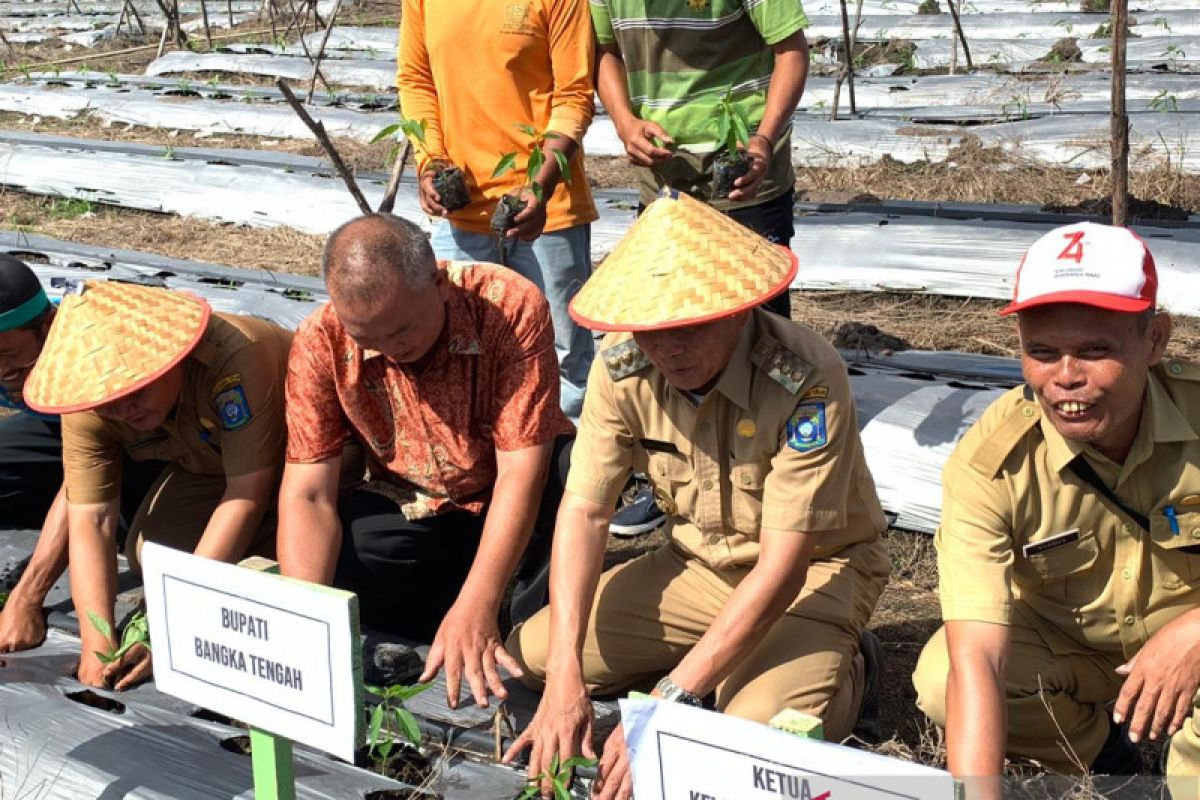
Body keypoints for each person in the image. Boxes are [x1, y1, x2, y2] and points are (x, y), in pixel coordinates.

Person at [502, 191, 889, 800]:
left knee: (746, 737)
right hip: (698, 565)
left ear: (738, 309)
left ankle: (852, 666)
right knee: (534, 655)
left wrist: (670, 702)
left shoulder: (805, 374)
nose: (669, 348)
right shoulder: (622, 367)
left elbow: (786, 564)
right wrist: (567, 678)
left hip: (814, 574)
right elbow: (585, 510)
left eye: (689, 326)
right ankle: (709, 659)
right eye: (653, 330)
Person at [912, 222, 1200, 797]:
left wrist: (1195, 633)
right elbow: (978, 661)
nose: (1066, 378)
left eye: (1095, 351)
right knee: (942, 676)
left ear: (1155, 340)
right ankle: (1114, 753)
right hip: (1069, 649)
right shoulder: (990, 463)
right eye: (1041, 353)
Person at [278, 214, 575, 711]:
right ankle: (446, 622)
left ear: (438, 283)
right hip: (424, 506)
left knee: (567, 473)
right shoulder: (321, 341)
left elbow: (521, 471)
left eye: (401, 332)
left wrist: (479, 602)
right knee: (357, 546)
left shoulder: (508, 306)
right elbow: (308, 492)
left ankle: (517, 631)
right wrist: (302, 622)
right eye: (367, 340)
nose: (391, 352)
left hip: (511, 496)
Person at [23, 281, 292, 689]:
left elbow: (245, 495)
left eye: (134, 389)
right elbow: (91, 518)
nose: (120, 409)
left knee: (275, 552)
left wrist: (169, 627)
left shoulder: (236, 357)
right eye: (106, 402)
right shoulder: (88, 398)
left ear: (170, 359)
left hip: (300, 461)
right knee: (151, 555)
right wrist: (98, 642)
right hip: (211, 466)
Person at [397, 0, 598, 422]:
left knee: (563, 359)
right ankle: (488, 469)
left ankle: (565, 471)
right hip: (462, 212)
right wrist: (430, 162)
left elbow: (574, 94)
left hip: (547, 210)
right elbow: (416, 81)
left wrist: (539, 186)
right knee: (461, 349)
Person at [591, 0, 810, 320]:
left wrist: (763, 137)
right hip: (663, 182)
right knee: (671, 320)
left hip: (745, 177)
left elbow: (791, 51)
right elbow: (604, 49)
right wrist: (624, 121)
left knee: (758, 324)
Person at [0, 259, 157, 653]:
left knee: (129, 531)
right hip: (58, 434)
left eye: (12, 358)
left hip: (132, 446)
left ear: (47, 326)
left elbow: (84, 474)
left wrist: (26, 597)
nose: (4, 372)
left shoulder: (83, 349)